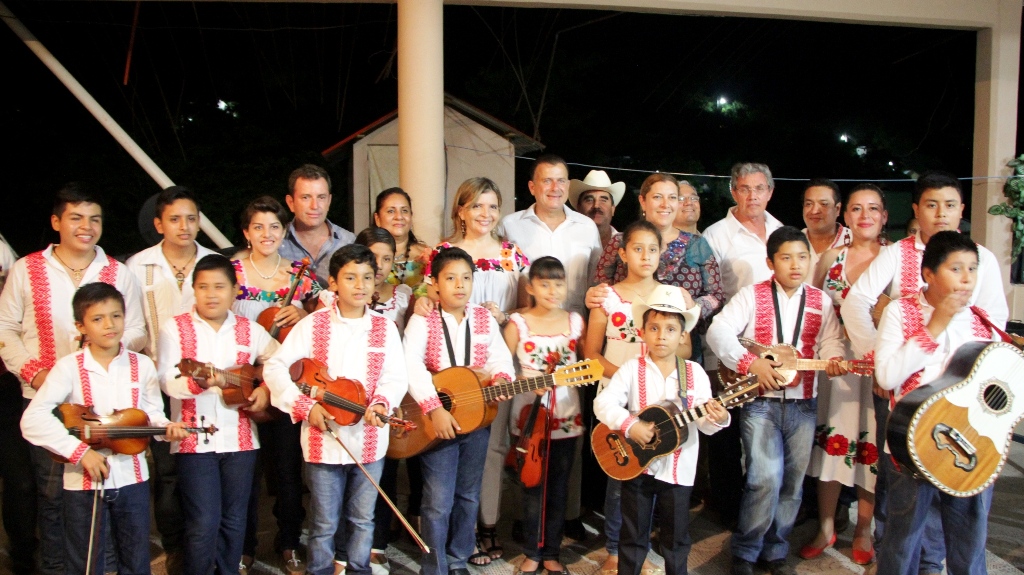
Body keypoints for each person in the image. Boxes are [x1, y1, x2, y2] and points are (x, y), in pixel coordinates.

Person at [840, 172, 1008, 574]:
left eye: (950, 205)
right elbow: (858, 307)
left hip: (969, 427)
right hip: (912, 420)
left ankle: (934, 566)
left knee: (968, 528)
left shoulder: (979, 297)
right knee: (905, 520)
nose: (966, 277)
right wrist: (877, 353)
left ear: (962, 211)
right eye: (932, 205)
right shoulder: (901, 279)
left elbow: (994, 350)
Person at [0, 183, 146, 575]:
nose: (87, 226)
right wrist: (38, 373)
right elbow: (5, 329)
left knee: (106, 491)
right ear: (56, 222)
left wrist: (104, 345)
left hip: (105, 405)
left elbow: (137, 330)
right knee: (53, 496)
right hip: (47, 403)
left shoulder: (117, 271)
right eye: (76, 218)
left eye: (94, 219)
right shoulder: (26, 269)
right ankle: (55, 568)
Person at [21, 283, 189, 575]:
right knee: (87, 562)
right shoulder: (68, 367)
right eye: (97, 319)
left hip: (133, 479)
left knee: (136, 560)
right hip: (83, 484)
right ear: (80, 326)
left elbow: (151, 417)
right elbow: (32, 419)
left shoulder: (142, 365)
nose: (109, 325)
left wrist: (167, 429)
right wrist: (80, 453)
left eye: (116, 316)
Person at [706, 226, 846, 575]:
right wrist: (750, 363)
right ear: (771, 262)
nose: (795, 265)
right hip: (761, 404)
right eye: (786, 257)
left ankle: (776, 550)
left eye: (802, 257)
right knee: (763, 477)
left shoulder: (821, 300)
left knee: (793, 483)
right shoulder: (751, 296)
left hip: (804, 404)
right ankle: (746, 551)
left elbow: (830, 343)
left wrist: (835, 358)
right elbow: (718, 331)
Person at [263, 244, 409, 575]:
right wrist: (304, 406)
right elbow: (274, 368)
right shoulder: (312, 325)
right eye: (351, 277)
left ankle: (359, 570)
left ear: (376, 283)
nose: (360, 285)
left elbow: (396, 376)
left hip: (369, 443)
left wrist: (383, 401)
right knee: (324, 521)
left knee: (361, 519)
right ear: (333, 283)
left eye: (367, 278)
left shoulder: (384, 328)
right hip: (322, 442)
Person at [873, 231, 1001, 575]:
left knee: (970, 543)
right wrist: (935, 326)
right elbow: (886, 377)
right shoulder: (901, 311)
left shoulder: (982, 321)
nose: (966, 278)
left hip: (969, 448)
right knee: (902, 543)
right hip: (911, 443)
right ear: (928, 273)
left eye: (972, 269)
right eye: (956, 268)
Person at [416, 177, 529, 563]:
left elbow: (526, 308)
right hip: (445, 366)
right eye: (477, 205)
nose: (486, 213)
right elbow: (424, 294)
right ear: (460, 210)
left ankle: (487, 527)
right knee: (441, 484)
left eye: (493, 206)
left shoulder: (512, 253)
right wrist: (423, 302)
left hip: (492, 356)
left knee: (490, 448)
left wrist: (504, 317)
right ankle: (439, 554)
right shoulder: (444, 252)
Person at [583, 220, 693, 575]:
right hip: (618, 400)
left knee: (657, 475)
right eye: (637, 248)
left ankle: (644, 548)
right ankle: (616, 550)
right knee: (621, 477)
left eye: (652, 249)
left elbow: (686, 349)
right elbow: (591, 354)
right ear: (623, 252)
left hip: (661, 402)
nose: (645, 256)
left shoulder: (672, 297)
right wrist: (629, 379)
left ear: (662, 253)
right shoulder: (606, 297)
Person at [158, 254, 279, 575]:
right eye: (203, 287)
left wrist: (265, 389)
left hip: (241, 441)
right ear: (193, 290)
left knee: (235, 520)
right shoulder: (175, 328)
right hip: (193, 443)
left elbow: (280, 362)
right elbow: (168, 381)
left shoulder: (249, 330)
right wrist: (199, 382)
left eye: (219, 287)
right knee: (203, 522)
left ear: (234, 290)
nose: (211, 294)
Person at [593, 285, 726, 575]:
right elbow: (602, 403)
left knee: (676, 539)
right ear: (642, 332)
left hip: (679, 472)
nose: (661, 336)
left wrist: (717, 416)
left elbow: (703, 424)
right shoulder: (631, 368)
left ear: (682, 336)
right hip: (637, 466)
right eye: (654, 328)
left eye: (669, 329)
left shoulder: (695, 373)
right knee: (633, 536)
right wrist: (630, 425)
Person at [403, 246, 515, 575]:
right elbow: (411, 366)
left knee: (467, 495)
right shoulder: (423, 319)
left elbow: (499, 357)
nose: (459, 285)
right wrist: (435, 408)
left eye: (466, 277)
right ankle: (434, 565)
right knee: (438, 501)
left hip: (476, 421)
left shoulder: (482, 318)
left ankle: (458, 558)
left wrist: (503, 379)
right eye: (450, 278)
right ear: (435, 284)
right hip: (436, 424)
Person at [125, 185, 216, 572]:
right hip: (154, 378)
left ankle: (205, 544)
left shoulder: (213, 262)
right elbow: (129, 323)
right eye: (175, 219)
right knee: (166, 470)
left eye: (192, 218)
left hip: (204, 382)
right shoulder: (139, 265)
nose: (184, 226)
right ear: (159, 223)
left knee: (202, 464)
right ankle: (176, 545)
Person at [232, 195, 321, 574]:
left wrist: (302, 311)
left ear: (284, 231)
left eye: (274, 226)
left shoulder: (300, 275)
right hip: (238, 382)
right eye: (258, 226)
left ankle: (289, 542)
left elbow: (321, 327)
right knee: (245, 472)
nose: (266, 234)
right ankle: (244, 546)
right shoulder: (231, 272)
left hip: (285, 384)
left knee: (287, 470)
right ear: (246, 232)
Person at [802, 184, 888, 565]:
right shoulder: (831, 258)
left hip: (878, 366)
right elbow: (815, 311)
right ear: (845, 215)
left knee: (872, 445)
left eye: (873, 209)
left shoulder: (895, 260)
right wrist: (826, 351)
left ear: (884, 216)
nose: (864, 215)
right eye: (856, 208)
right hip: (836, 364)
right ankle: (826, 525)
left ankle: (864, 528)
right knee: (831, 439)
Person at [504, 256, 586, 575]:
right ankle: (531, 551)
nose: (553, 290)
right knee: (531, 484)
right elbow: (501, 368)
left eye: (559, 283)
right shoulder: (518, 323)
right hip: (527, 414)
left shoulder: (575, 321)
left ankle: (551, 551)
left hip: (565, 413)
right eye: (545, 283)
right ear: (531, 287)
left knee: (559, 485)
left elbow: (582, 368)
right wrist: (525, 381)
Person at [590, 173, 724, 363]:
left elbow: (716, 295)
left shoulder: (697, 244)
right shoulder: (620, 242)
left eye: (672, 197)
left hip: (680, 347)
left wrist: (694, 307)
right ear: (643, 202)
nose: (665, 204)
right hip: (625, 348)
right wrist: (594, 294)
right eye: (657, 197)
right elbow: (600, 291)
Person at [497, 154, 602, 316]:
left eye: (561, 181)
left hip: (575, 328)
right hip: (525, 328)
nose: (555, 187)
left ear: (568, 185)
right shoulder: (510, 226)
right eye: (547, 181)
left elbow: (595, 279)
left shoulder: (587, 227)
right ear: (532, 187)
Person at [279, 164, 356, 287]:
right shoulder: (276, 243)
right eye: (306, 197)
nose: (315, 206)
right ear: (291, 202)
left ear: (329, 201)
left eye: (321, 197)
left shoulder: (349, 242)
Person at [374, 187, 430, 289]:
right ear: (377, 219)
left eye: (404, 211)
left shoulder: (426, 256)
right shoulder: (365, 256)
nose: (399, 217)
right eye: (391, 211)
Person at [802, 179, 852, 269]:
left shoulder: (854, 241)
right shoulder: (793, 241)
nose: (814, 211)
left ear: (837, 209)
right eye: (809, 204)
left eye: (824, 204)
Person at [569, 170, 626, 248]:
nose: (596, 205)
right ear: (578, 207)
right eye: (589, 200)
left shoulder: (625, 245)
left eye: (603, 200)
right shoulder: (566, 241)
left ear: (613, 209)